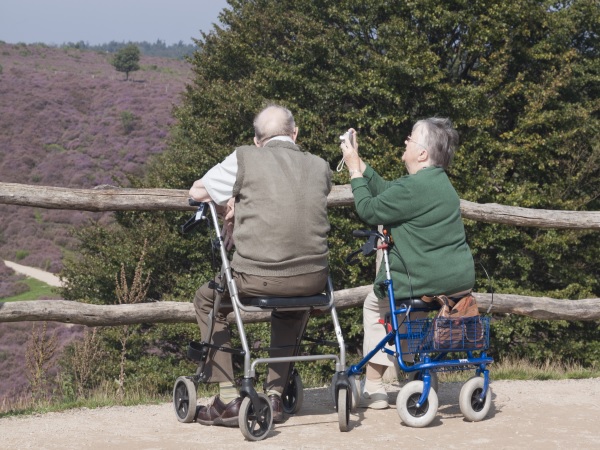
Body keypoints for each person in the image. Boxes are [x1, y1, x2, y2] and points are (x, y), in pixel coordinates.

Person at [188, 104, 332, 426]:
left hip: (256, 278)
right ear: (295, 133)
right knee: (292, 308)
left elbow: (197, 191)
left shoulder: (245, 158)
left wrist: (232, 200)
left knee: (207, 300)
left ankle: (226, 394)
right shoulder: (320, 166)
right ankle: (275, 397)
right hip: (312, 279)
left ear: (256, 139)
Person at [339, 117, 475, 409]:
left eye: (411, 139)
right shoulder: (437, 183)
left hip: (421, 281)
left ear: (423, 153)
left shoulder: (412, 188)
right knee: (409, 310)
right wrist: (360, 162)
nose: (405, 142)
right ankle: (413, 370)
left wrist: (352, 170)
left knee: (378, 304)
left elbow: (369, 209)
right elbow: (391, 192)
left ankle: (374, 385)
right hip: (456, 281)